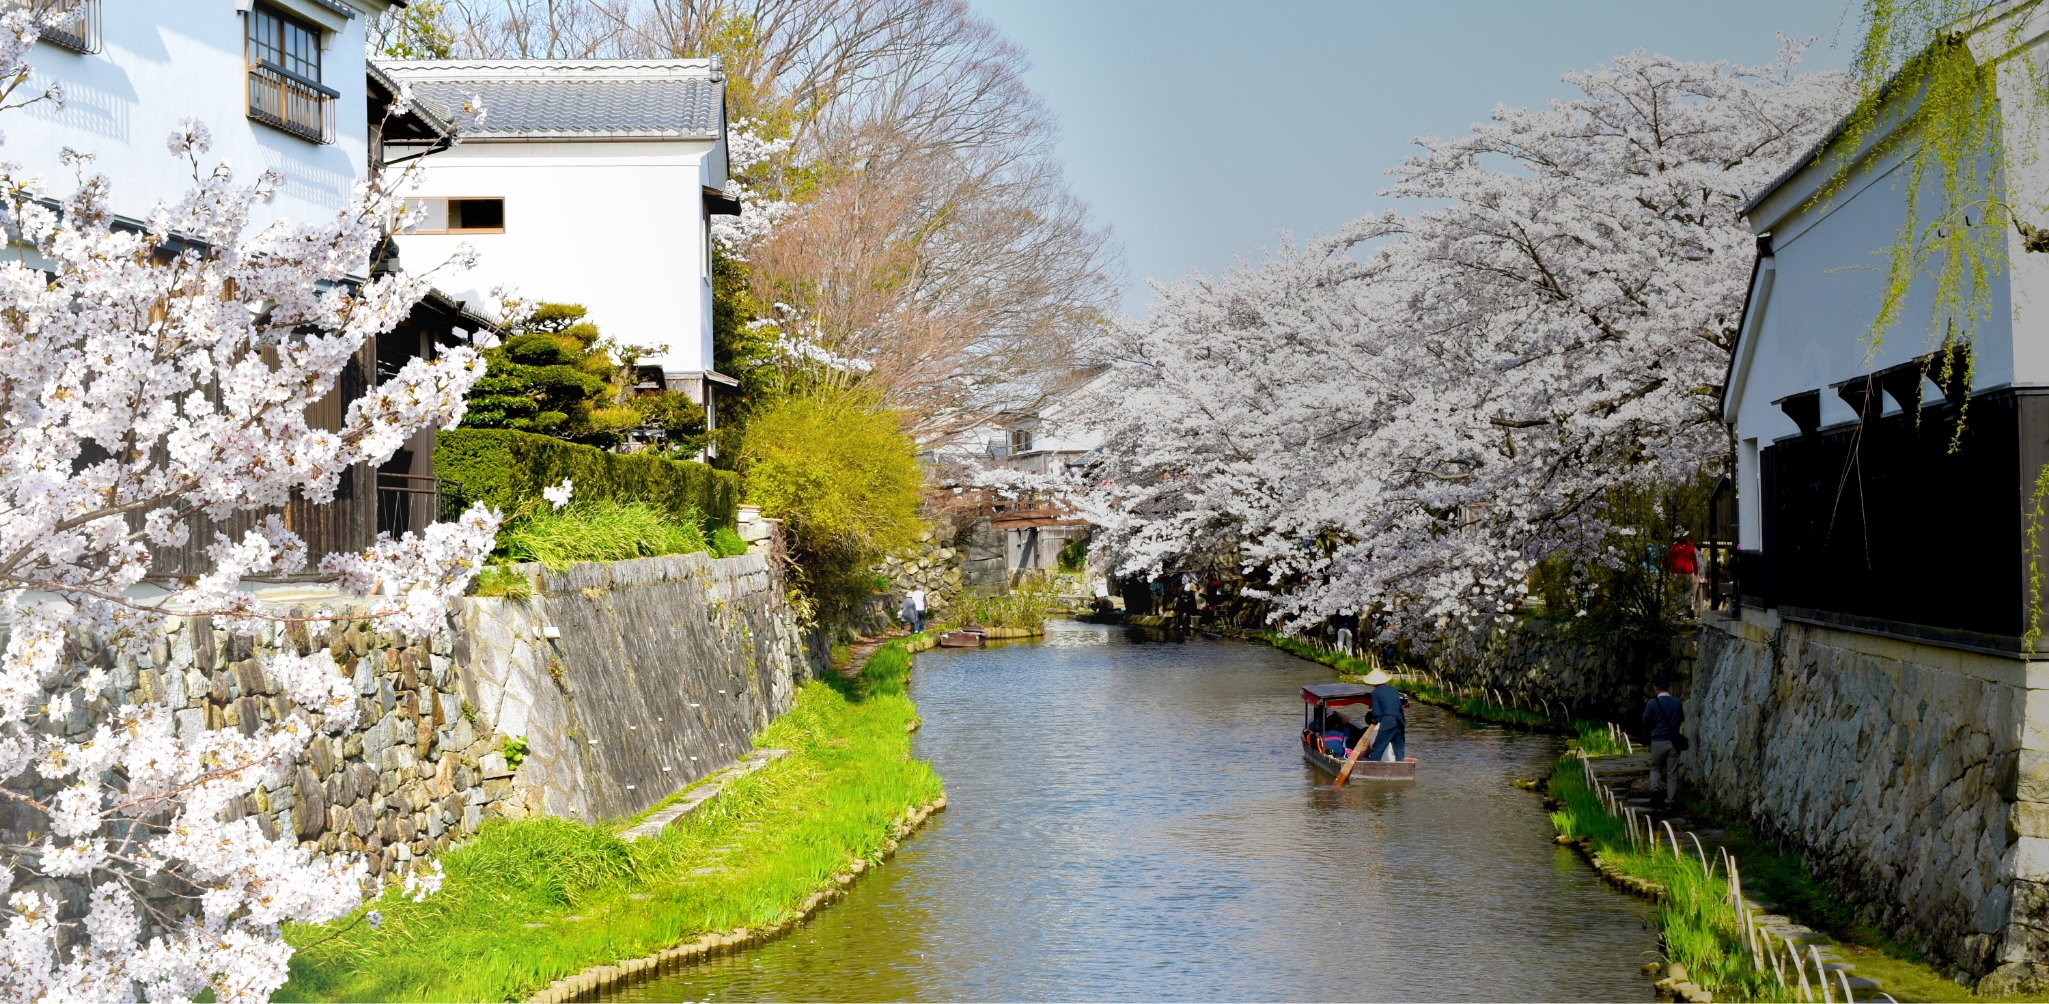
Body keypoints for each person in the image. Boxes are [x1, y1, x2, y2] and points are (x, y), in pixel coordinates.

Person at [1643, 677, 1685, 809]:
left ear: (1655, 688)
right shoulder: (1677, 703)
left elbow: (1645, 721)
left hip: (1658, 741)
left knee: (1656, 767)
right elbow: (1681, 718)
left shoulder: (1652, 704)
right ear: (1670, 688)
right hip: (1673, 742)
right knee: (1672, 773)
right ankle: (1670, 802)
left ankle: (1655, 788)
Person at [1364, 667, 1409, 763]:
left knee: (1378, 748)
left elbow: (1376, 713)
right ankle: (1401, 771)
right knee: (1399, 750)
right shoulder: (1393, 689)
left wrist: (1379, 720)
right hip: (1400, 720)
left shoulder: (1375, 692)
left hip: (1388, 721)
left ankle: (1372, 770)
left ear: (1373, 682)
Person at [1666, 536, 1703, 617]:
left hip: (1676, 572)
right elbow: (1694, 562)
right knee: (1689, 591)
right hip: (1688, 572)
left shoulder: (1675, 548)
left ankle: (1680, 612)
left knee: (1679, 591)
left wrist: (1668, 572)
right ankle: (1689, 606)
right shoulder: (1691, 548)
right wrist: (1696, 574)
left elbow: (1670, 560)